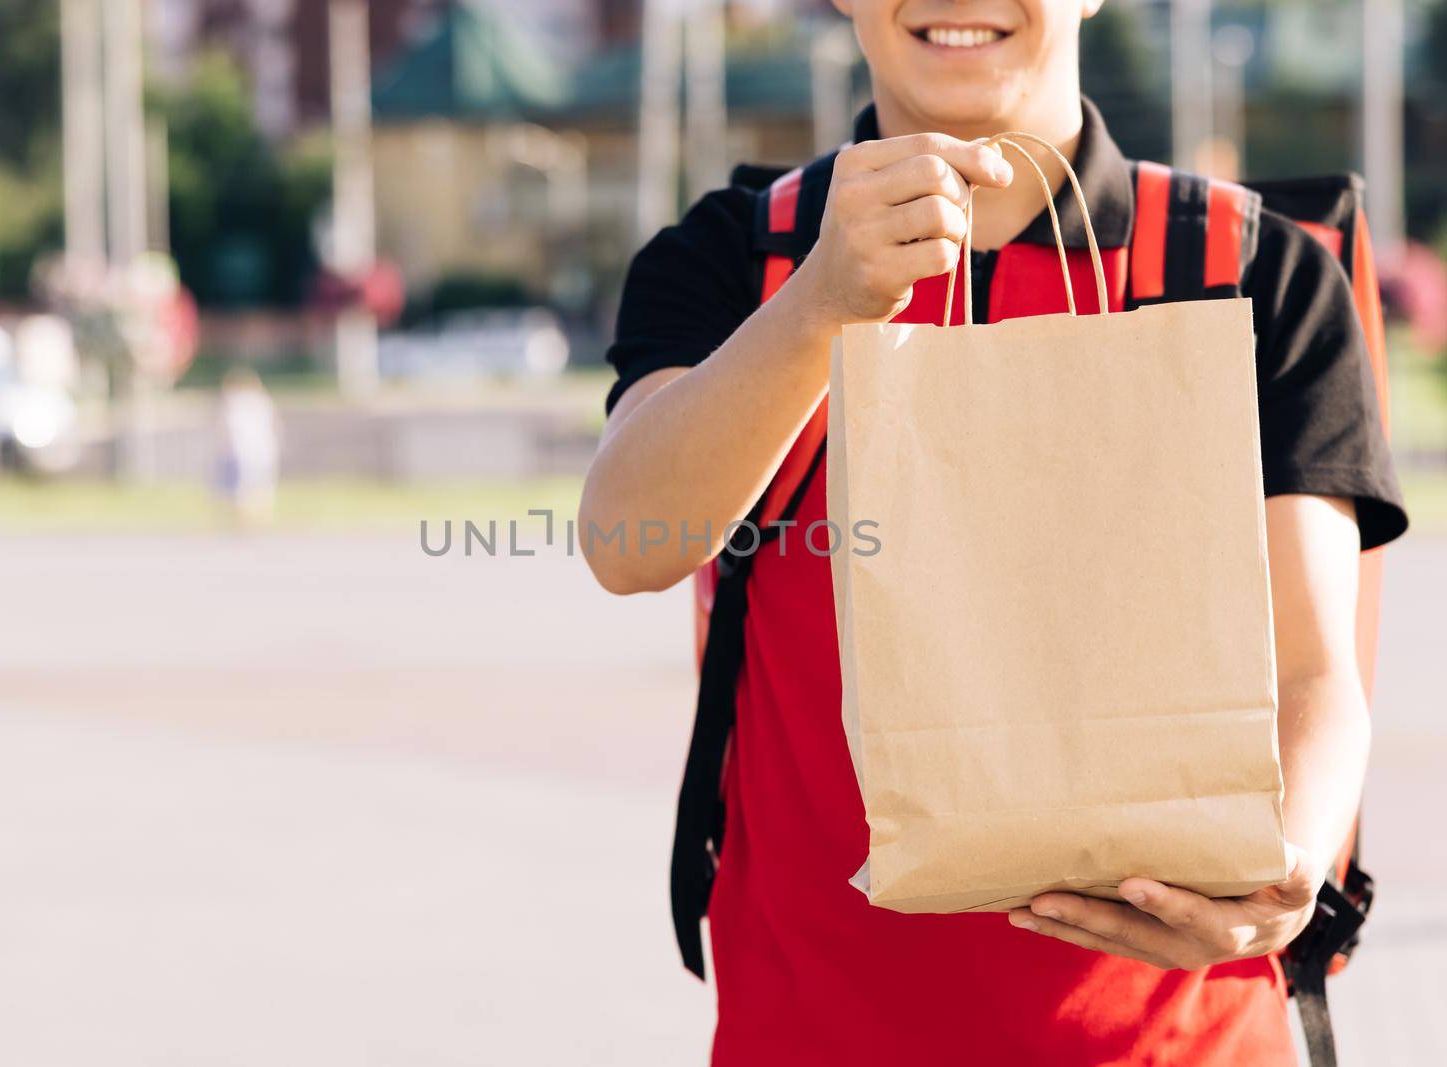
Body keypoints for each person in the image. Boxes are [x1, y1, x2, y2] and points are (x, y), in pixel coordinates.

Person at [579, 1, 1408, 1064]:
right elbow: (627, 540)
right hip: (816, 1031)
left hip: (1181, 1037)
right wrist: (820, 304)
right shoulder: (743, 260)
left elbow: (1311, 670)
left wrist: (1284, 879)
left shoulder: (1255, 270)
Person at [214, 366, 281, 526]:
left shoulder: (234, 402)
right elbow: (275, 424)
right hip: (264, 450)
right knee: (260, 487)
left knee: (243, 488)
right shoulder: (263, 400)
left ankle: (245, 520)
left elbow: (225, 429)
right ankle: (259, 518)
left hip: (243, 450)